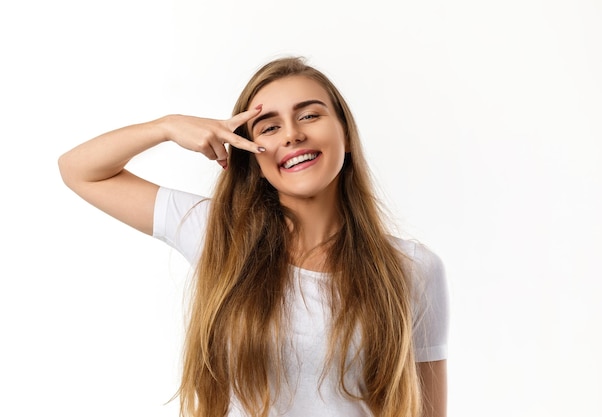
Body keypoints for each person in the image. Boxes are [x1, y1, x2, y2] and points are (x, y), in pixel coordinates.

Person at [58, 56, 449, 417]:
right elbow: (80, 170)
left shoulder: (412, 268)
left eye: (309, 115)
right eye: (270, 127)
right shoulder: (219, 235)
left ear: (345, 134)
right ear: (254, 157)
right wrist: (167, 125)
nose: (292, 135)